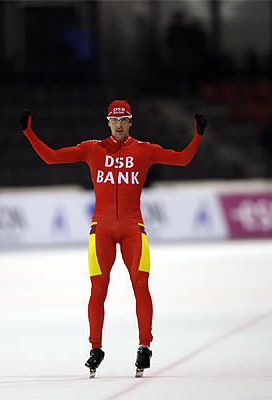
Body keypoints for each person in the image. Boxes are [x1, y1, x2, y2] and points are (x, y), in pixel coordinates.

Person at [19, 100, 207, 377]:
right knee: (98, 290)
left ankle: (145, 346)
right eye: (114, 120)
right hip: (102, 230)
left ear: (131, 122)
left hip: (133, 228)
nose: (119, 124)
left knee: (141, 286)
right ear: (108, 122)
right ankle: (95, 348)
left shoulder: (145, 150)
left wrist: (198, 135)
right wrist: (28, 132)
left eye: (124, 119)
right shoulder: (92, 148)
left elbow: (182, 159)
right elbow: (52, 157)